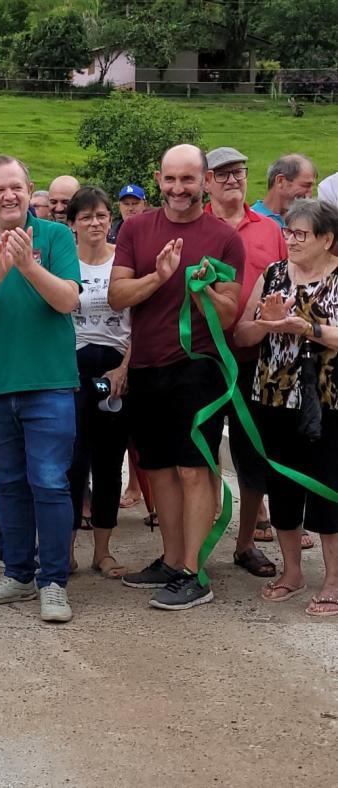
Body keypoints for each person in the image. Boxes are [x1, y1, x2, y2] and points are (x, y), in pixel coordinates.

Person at [109, 144, 245, 611]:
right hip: (147, 365)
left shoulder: (225, 238)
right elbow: (116, 295)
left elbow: (228, 315)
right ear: (158, 178)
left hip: (200, 369)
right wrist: (159, 276)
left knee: (194, 468)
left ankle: (194, 570)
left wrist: (205, 290)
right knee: (159, 468)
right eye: (170, 179)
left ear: (205, 181)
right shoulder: (135, 228)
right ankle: (170, 561)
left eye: (189, 179)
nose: (178, 189)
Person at [0, 154, 81, 623]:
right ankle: (18, 574)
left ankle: (53, 582)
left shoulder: (57, 236)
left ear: (29, 192)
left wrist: (27, 266)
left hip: (50, 385)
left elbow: (68, 299)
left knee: (48, 482)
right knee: (8, 484)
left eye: (17, 187)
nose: (9, 196)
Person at [233, 199, 338, 616]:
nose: (291, 241)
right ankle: (292, 572)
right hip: (274, 398)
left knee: (329, 488)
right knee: (282, 488)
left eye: (301, 234)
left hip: (329, 402)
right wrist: (264, 320)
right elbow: (242, 335)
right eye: (288, 232)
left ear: (328, 239)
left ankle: (332, 580)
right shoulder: (273, 274)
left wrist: (304, 327)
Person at [204, 146, 289, 572]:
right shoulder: (199, 225)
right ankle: (191, 548)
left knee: (252, 451)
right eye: (222, 175)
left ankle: (244, 544)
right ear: (207, 182)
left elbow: (285, 283)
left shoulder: (271, 230)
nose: (233, 180)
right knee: (199, 453)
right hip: (202, 355)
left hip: (256, 357)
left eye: (238, 172)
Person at [65, 187, 131, 579]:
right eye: (86, 216)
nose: (95, 222)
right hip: (70, 366)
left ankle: (103, 551)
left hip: (115, 368)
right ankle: (67, 547)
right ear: (71, 223)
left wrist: (125, 368)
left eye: (102, 215)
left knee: (109, 461)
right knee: (72, 462)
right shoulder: (62, 263)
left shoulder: (124, 264)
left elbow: (139, 320)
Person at [251, 155, 317, 227]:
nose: (309, 195)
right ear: (280, 181)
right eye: (305, 185)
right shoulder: (251, 220)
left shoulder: (309, 221)